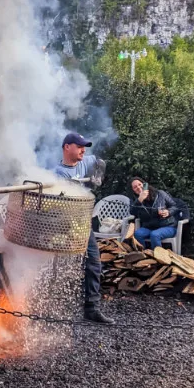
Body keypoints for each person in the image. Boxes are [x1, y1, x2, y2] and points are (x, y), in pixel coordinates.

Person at [54, 132, 114, 324]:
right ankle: (51, 304)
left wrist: (98, 175)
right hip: (64, 223)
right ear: (66, 147)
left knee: (94, 263)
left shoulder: (85, 161)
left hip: (83, 223)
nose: (83, 150)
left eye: (84, 146)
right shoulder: (59, 172)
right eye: (79, 146)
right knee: (56, 264)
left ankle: (92, 308)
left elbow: (100, 161)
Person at [128, 177, 180, 250]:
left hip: (168, 226)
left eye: (140, 184)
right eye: (135, 187)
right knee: (138, 234)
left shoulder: (160, 194)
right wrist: (139, 200)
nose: (138, 187)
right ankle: (144, 256)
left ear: (144, 184)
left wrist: (168, 212)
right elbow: (132, 212)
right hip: (149, 227)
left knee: (155, 234)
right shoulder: (134, 200)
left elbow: (175, 206)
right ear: (133, 190)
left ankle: (158, 258)